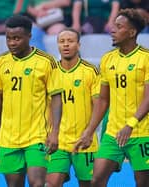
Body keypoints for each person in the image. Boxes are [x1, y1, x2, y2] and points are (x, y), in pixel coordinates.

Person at [0, 15, 63, 187]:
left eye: (17, 38)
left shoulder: (46, 62)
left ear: (29, 36)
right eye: (8, 38)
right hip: (8, 138)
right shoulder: (1, 62)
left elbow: (56, 98)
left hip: (37, 136)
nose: (12, 43)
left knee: (37, 183)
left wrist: (54, 132)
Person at [74, 8, 149, 187]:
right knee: (97, 180)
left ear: (132, 32)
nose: (112, 30)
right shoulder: (107, 60)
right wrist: (89, 131)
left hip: (142, 133)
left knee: (143, 183)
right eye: (113, 26)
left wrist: (130, 124)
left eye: (119, 26)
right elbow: (102, 100)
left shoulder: (145, 58)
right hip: (113, 133)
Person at [45, 28, 100, 187]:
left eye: (70, 41)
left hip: (84, 141)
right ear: (57, 45)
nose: (66, 45)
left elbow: (99, 106)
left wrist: (89, 133)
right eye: (62, 42)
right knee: (52, 183)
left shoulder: (90, 71)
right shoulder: (50, 72)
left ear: (79, 45)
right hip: (57, 141)